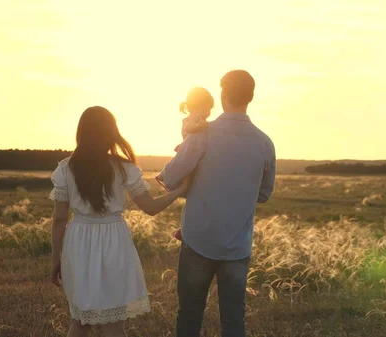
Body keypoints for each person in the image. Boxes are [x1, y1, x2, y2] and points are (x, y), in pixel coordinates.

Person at [49, 106, 188, 337]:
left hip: (78, 241)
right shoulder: (124, 168)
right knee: (113, 324)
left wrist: (56, 259)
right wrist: (180, 190)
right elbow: (151, 207)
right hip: (114, 240)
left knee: (80, 321)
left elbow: (59, 219)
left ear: (81, 132)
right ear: (111, 132)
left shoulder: (66, 168)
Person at [160, 70, 276, 337]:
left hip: (198, 240)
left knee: (189, 314)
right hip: (237, 246)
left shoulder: (203, 134)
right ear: (251, 97)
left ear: (222, 95)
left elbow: (171, 177)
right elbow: (264, 194)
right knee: (234, 321)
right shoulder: (265, 143)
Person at [156, 87, 214, 241]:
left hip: (191, 154)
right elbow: (188, 128)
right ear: (198, 106)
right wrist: (201, 126)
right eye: (208, 108)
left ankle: (185, 227)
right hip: (190, 156)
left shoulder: (195, 117)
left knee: (192, 195)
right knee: (193, 192)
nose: (209, 112)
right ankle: (186, 227)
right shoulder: (194, 118)